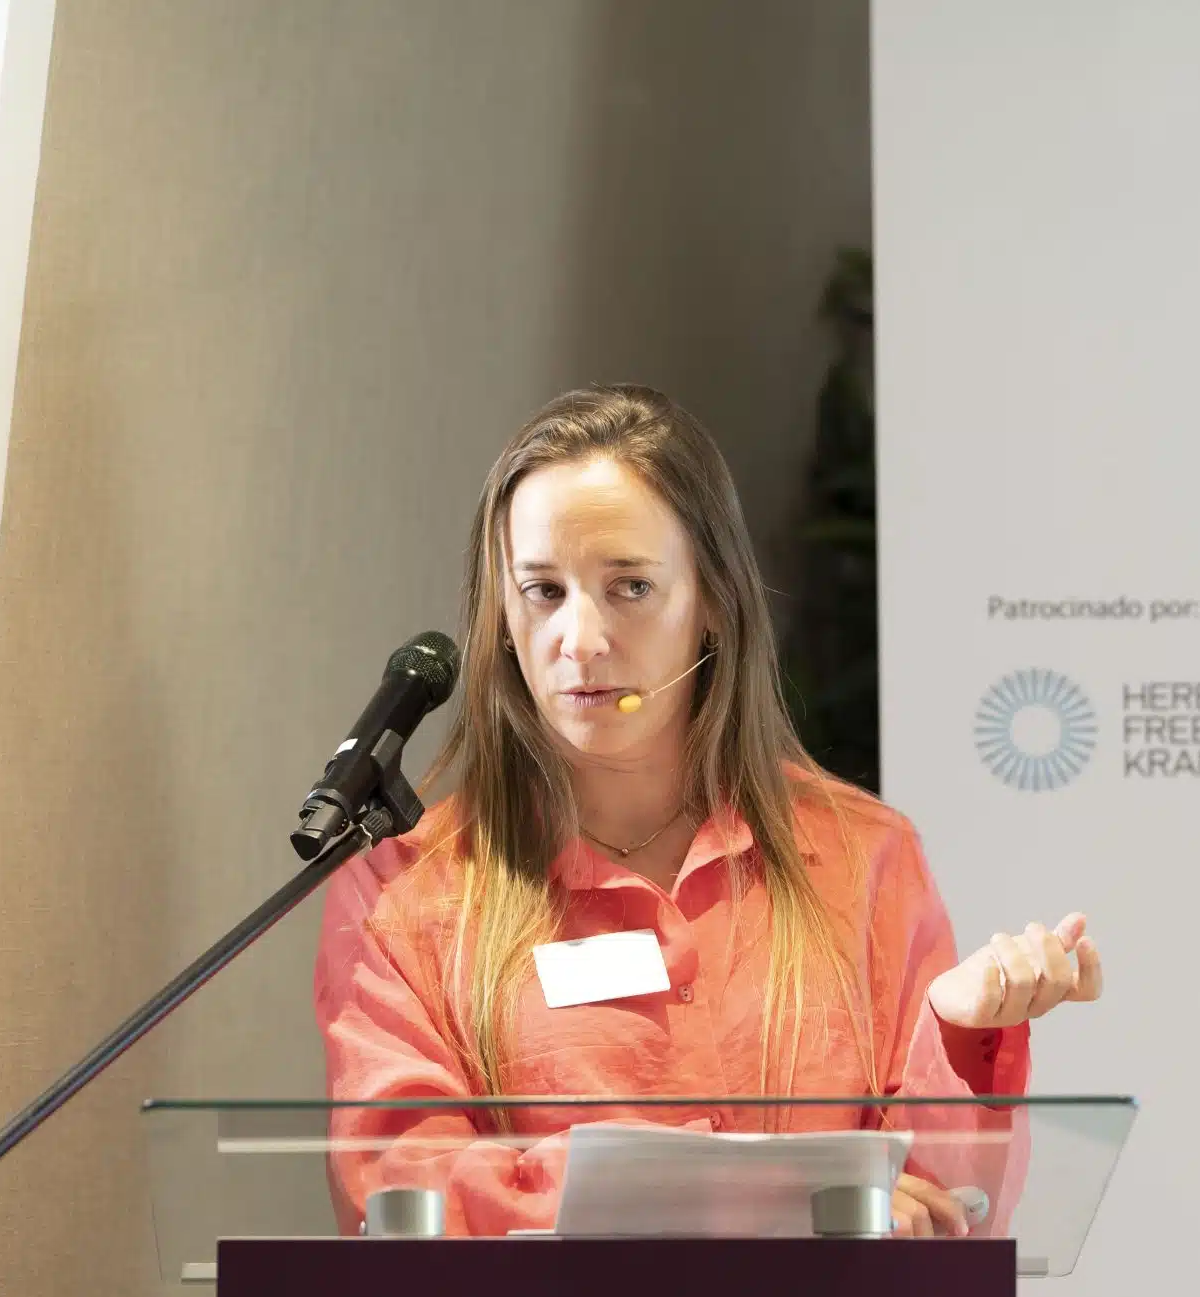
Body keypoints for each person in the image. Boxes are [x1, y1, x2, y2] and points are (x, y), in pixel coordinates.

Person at [313, 384, 1103, 1237]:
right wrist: (753, 1195)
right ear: (501, 615)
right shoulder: (403, 891)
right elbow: (403, 1193)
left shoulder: (865, 854)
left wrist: (957, 1031)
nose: (580, 640)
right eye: (543, 590)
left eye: (630, 587)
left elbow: (945, 1217)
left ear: (714, 603)